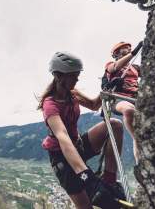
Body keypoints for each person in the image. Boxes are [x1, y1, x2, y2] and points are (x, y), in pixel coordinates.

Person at [38, 52, 124, 209]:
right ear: (58, 76)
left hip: (77, 146)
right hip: (62, 158)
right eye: (73, 76)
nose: (77, 79)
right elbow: (62, 137)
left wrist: (107, 88)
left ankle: (110, 180)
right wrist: (86, 175)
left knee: (115, 125)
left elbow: (93, 105)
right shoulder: (50, 105)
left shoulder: (73, 94)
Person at [103, 41, 143, 164]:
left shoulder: (134, 67)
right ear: (117, 53)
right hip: (119, 98)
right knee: (129, 110)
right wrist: (133, 52)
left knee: (139, 128)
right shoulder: (111, 64)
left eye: (129, 48)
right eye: (125, 48)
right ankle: (140, 140)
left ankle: (139, 162)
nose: (128, 49)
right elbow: (114, 68)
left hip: (136, 97)